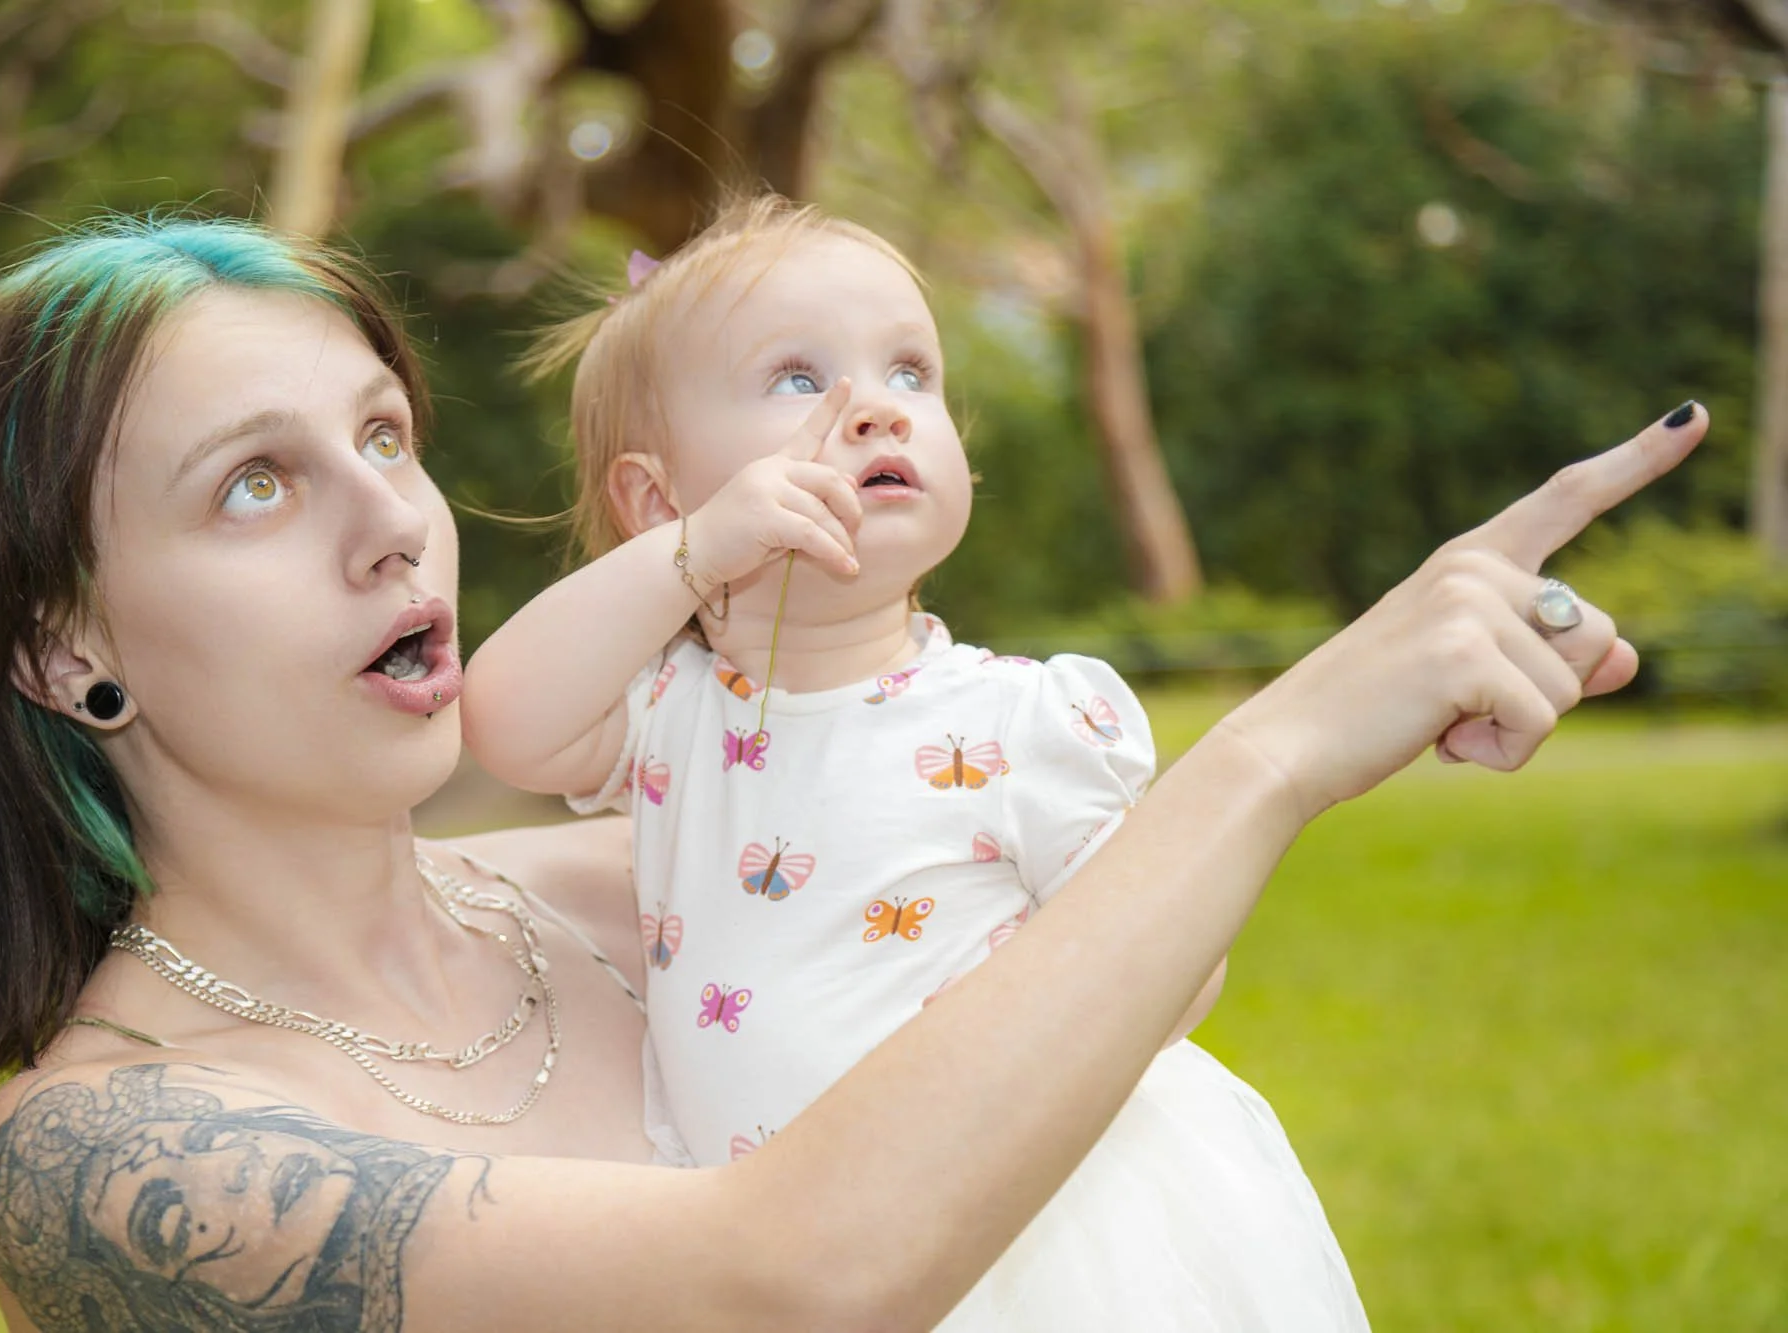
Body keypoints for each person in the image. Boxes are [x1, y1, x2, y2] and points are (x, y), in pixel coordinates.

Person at [0, 213, 1701, 1333]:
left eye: (383, 434)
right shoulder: (102, 1155)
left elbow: (1103, 943)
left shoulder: (656, 874)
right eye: (255, 485)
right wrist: (1278, 746)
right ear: (62, 643)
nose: (394, 524)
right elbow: (790, 1279)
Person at [459, 195, 1360, 1329]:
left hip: (1020, 1227)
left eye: (911, 373)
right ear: (660, 501)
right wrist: (689, 556)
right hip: (771, 1251)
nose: (876, 408)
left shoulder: (1017, 724)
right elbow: (502, 719)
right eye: (798, 378)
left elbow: (1169, 968)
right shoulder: (665, 710)